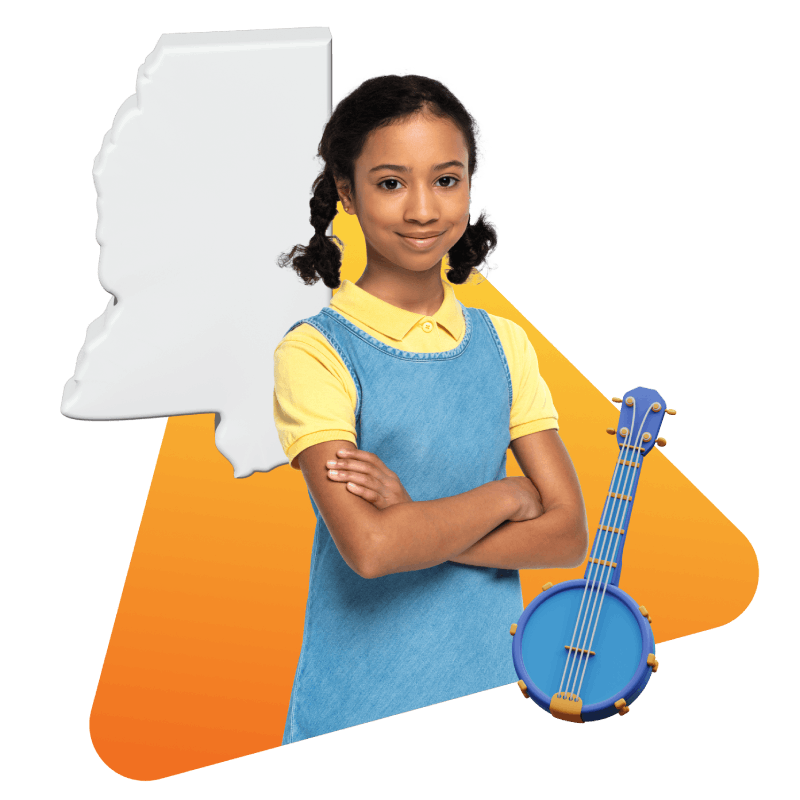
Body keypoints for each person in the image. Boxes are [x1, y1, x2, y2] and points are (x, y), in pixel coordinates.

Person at [273, 70, 589, 744]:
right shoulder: (316, 353)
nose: (423, 209)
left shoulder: (505, 346)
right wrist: (507, 494)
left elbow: (566, 537)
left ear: (471, 186)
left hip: (493, 675)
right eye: (391, 182)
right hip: (355, 699)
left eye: (446, 180)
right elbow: (373, 548)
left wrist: (415, 520)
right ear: (345, 193)